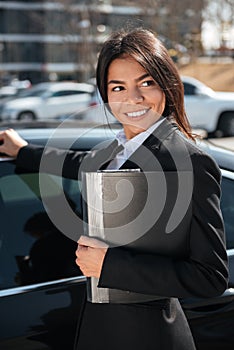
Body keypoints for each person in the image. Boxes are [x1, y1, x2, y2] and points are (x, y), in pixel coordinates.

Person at [0, 28, 228, 350]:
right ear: (106, 95)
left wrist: (110, 267)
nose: (132, 99)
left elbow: (210, 276)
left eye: (145, 83)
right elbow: (74, 162)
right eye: (118, 87)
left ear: (167, 84)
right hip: (98, 330)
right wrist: (22, 151)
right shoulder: (115, 151)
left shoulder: (189, 162)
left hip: (148, 336)